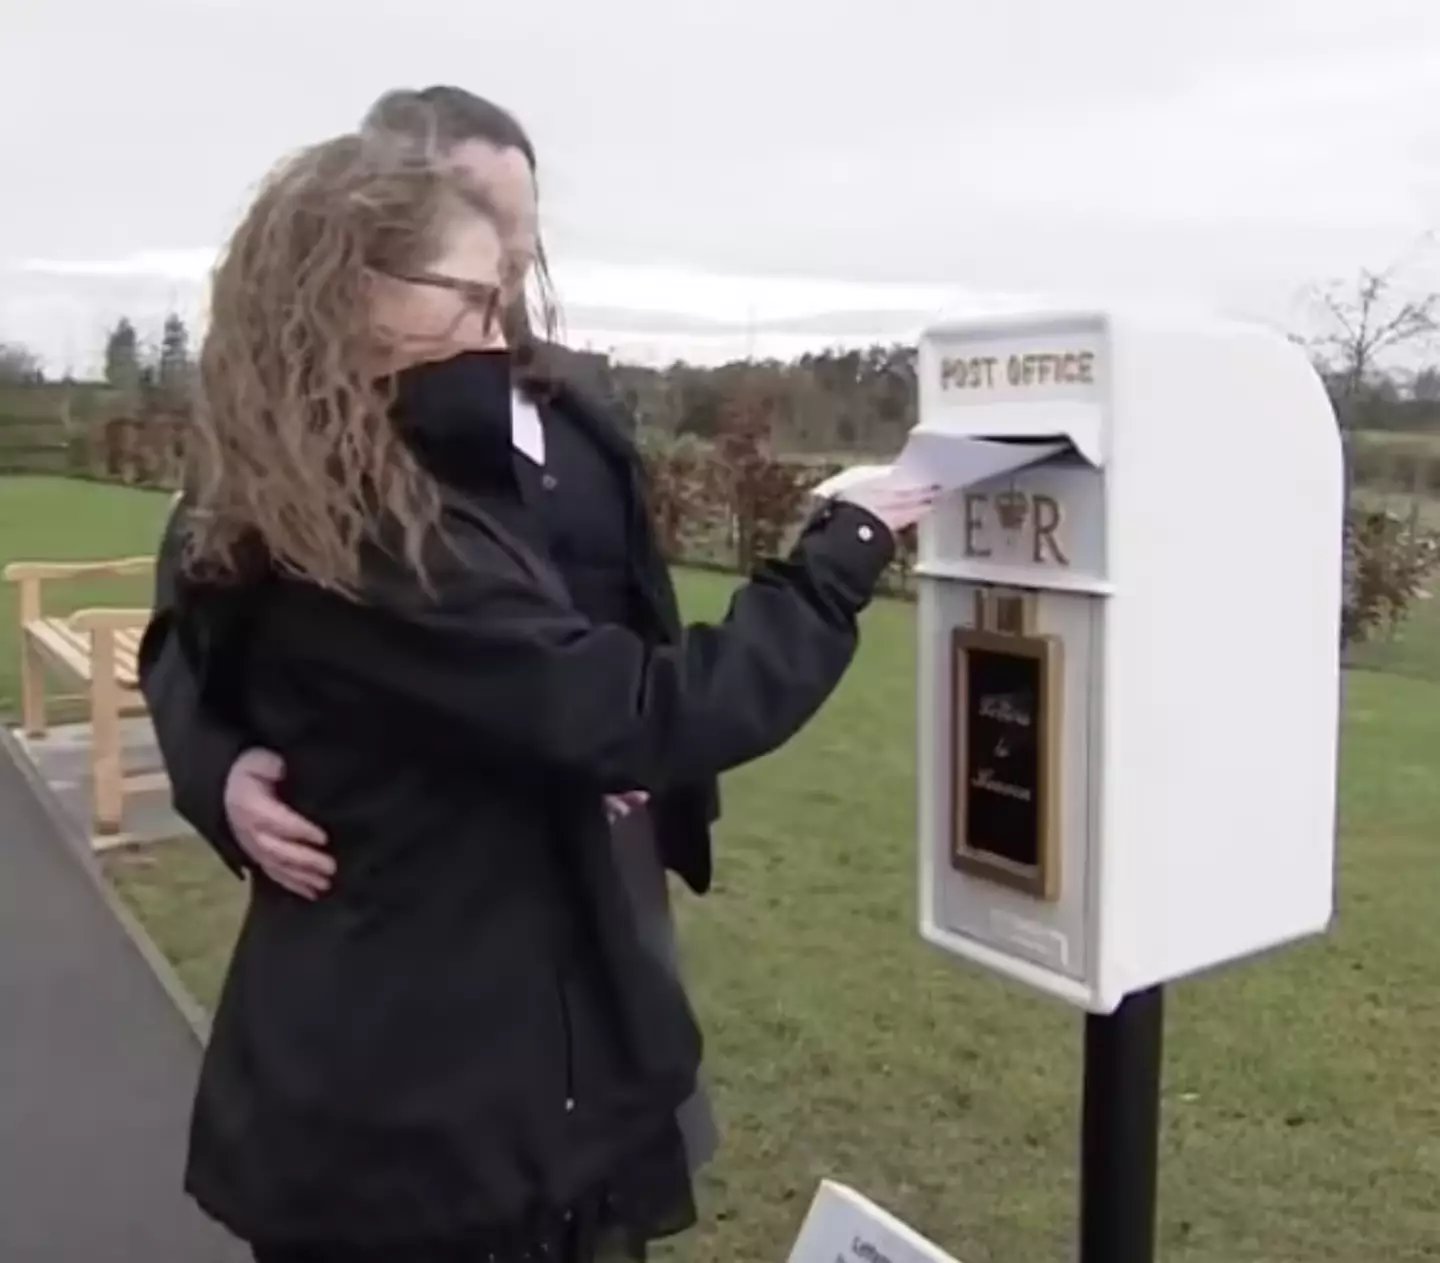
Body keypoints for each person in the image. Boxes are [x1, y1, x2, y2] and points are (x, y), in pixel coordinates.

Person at [161, 121, 939, 1263]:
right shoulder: (367, 535)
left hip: (471, 994)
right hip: (432, 1095)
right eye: (474, 295)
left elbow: (547, 670)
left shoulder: (319, 473)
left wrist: (566, 741)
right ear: (354, 286)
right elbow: (650, 710)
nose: (496, 326)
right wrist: (845, 545)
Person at [139, 84, 729, 1175]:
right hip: (435, 901)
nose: (506, 264)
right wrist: (216, 773)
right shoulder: (302, 439)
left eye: (523, 233)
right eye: (479, 225)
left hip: (601, 832)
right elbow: (187, 619)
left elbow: (638, 605)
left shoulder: (576, 407)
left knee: (629, 1133)